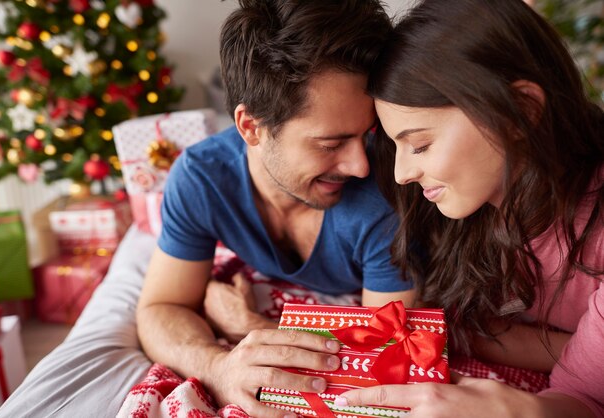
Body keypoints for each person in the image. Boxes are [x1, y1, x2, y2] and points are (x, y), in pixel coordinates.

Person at [136, 1, 416, 417]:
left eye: (365, 134)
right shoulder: (200, 177)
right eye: (331, 144)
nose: (359, 164)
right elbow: (159, 308)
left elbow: (382, 359)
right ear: (251, 127)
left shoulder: (384, 199)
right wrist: (217, 366)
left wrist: (248, 326)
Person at [333, 0, 604, 417]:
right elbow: (455, 323)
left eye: (420, 144)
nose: (403, 172)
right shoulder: (459, 208)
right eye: (396, 146)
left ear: (521, 112)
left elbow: (582, 398)